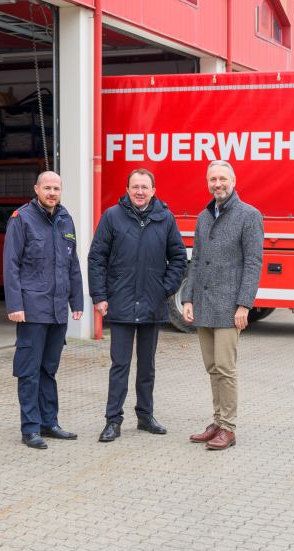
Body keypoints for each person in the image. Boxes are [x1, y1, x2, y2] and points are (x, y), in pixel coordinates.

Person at [88, 168, 187, 442]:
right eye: (135, 187)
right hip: (120, 303)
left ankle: (145, 416)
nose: (140, 191)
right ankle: (113, 420)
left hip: (152, 305)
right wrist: (99, 296)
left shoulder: (165, 218)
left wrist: (165, 289)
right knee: (119, 365)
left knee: (147, 367)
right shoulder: (111, 217)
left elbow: (178, 257)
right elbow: (97, 258)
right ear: (128, 189)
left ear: (154, 191)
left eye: (145, 187)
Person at [181, 160, 263, 451]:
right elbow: (197, 260)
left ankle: (228, 428)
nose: (218, 183)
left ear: (233, 181)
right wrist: (187, 297)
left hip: (230, 308)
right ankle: (217, 421)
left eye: (223, 179)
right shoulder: (205, 216)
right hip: (204, 304)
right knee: (213, 367)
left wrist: (244, 305)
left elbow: (253, 263)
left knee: (226, 368)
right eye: (213, 179)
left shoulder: (248, 216)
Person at [3, 171, 84, 450]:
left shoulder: (65, 219)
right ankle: (30, 428)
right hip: (32, 309)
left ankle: (50, 423)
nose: (52, 192)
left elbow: (72, 264)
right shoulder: (22, 219)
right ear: (36, 188)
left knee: (49, 370)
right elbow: (11, 264)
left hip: (57, 310)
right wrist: (15, 305)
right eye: (47, 187)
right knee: (29, 371)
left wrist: (77, 302)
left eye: (56, 188)